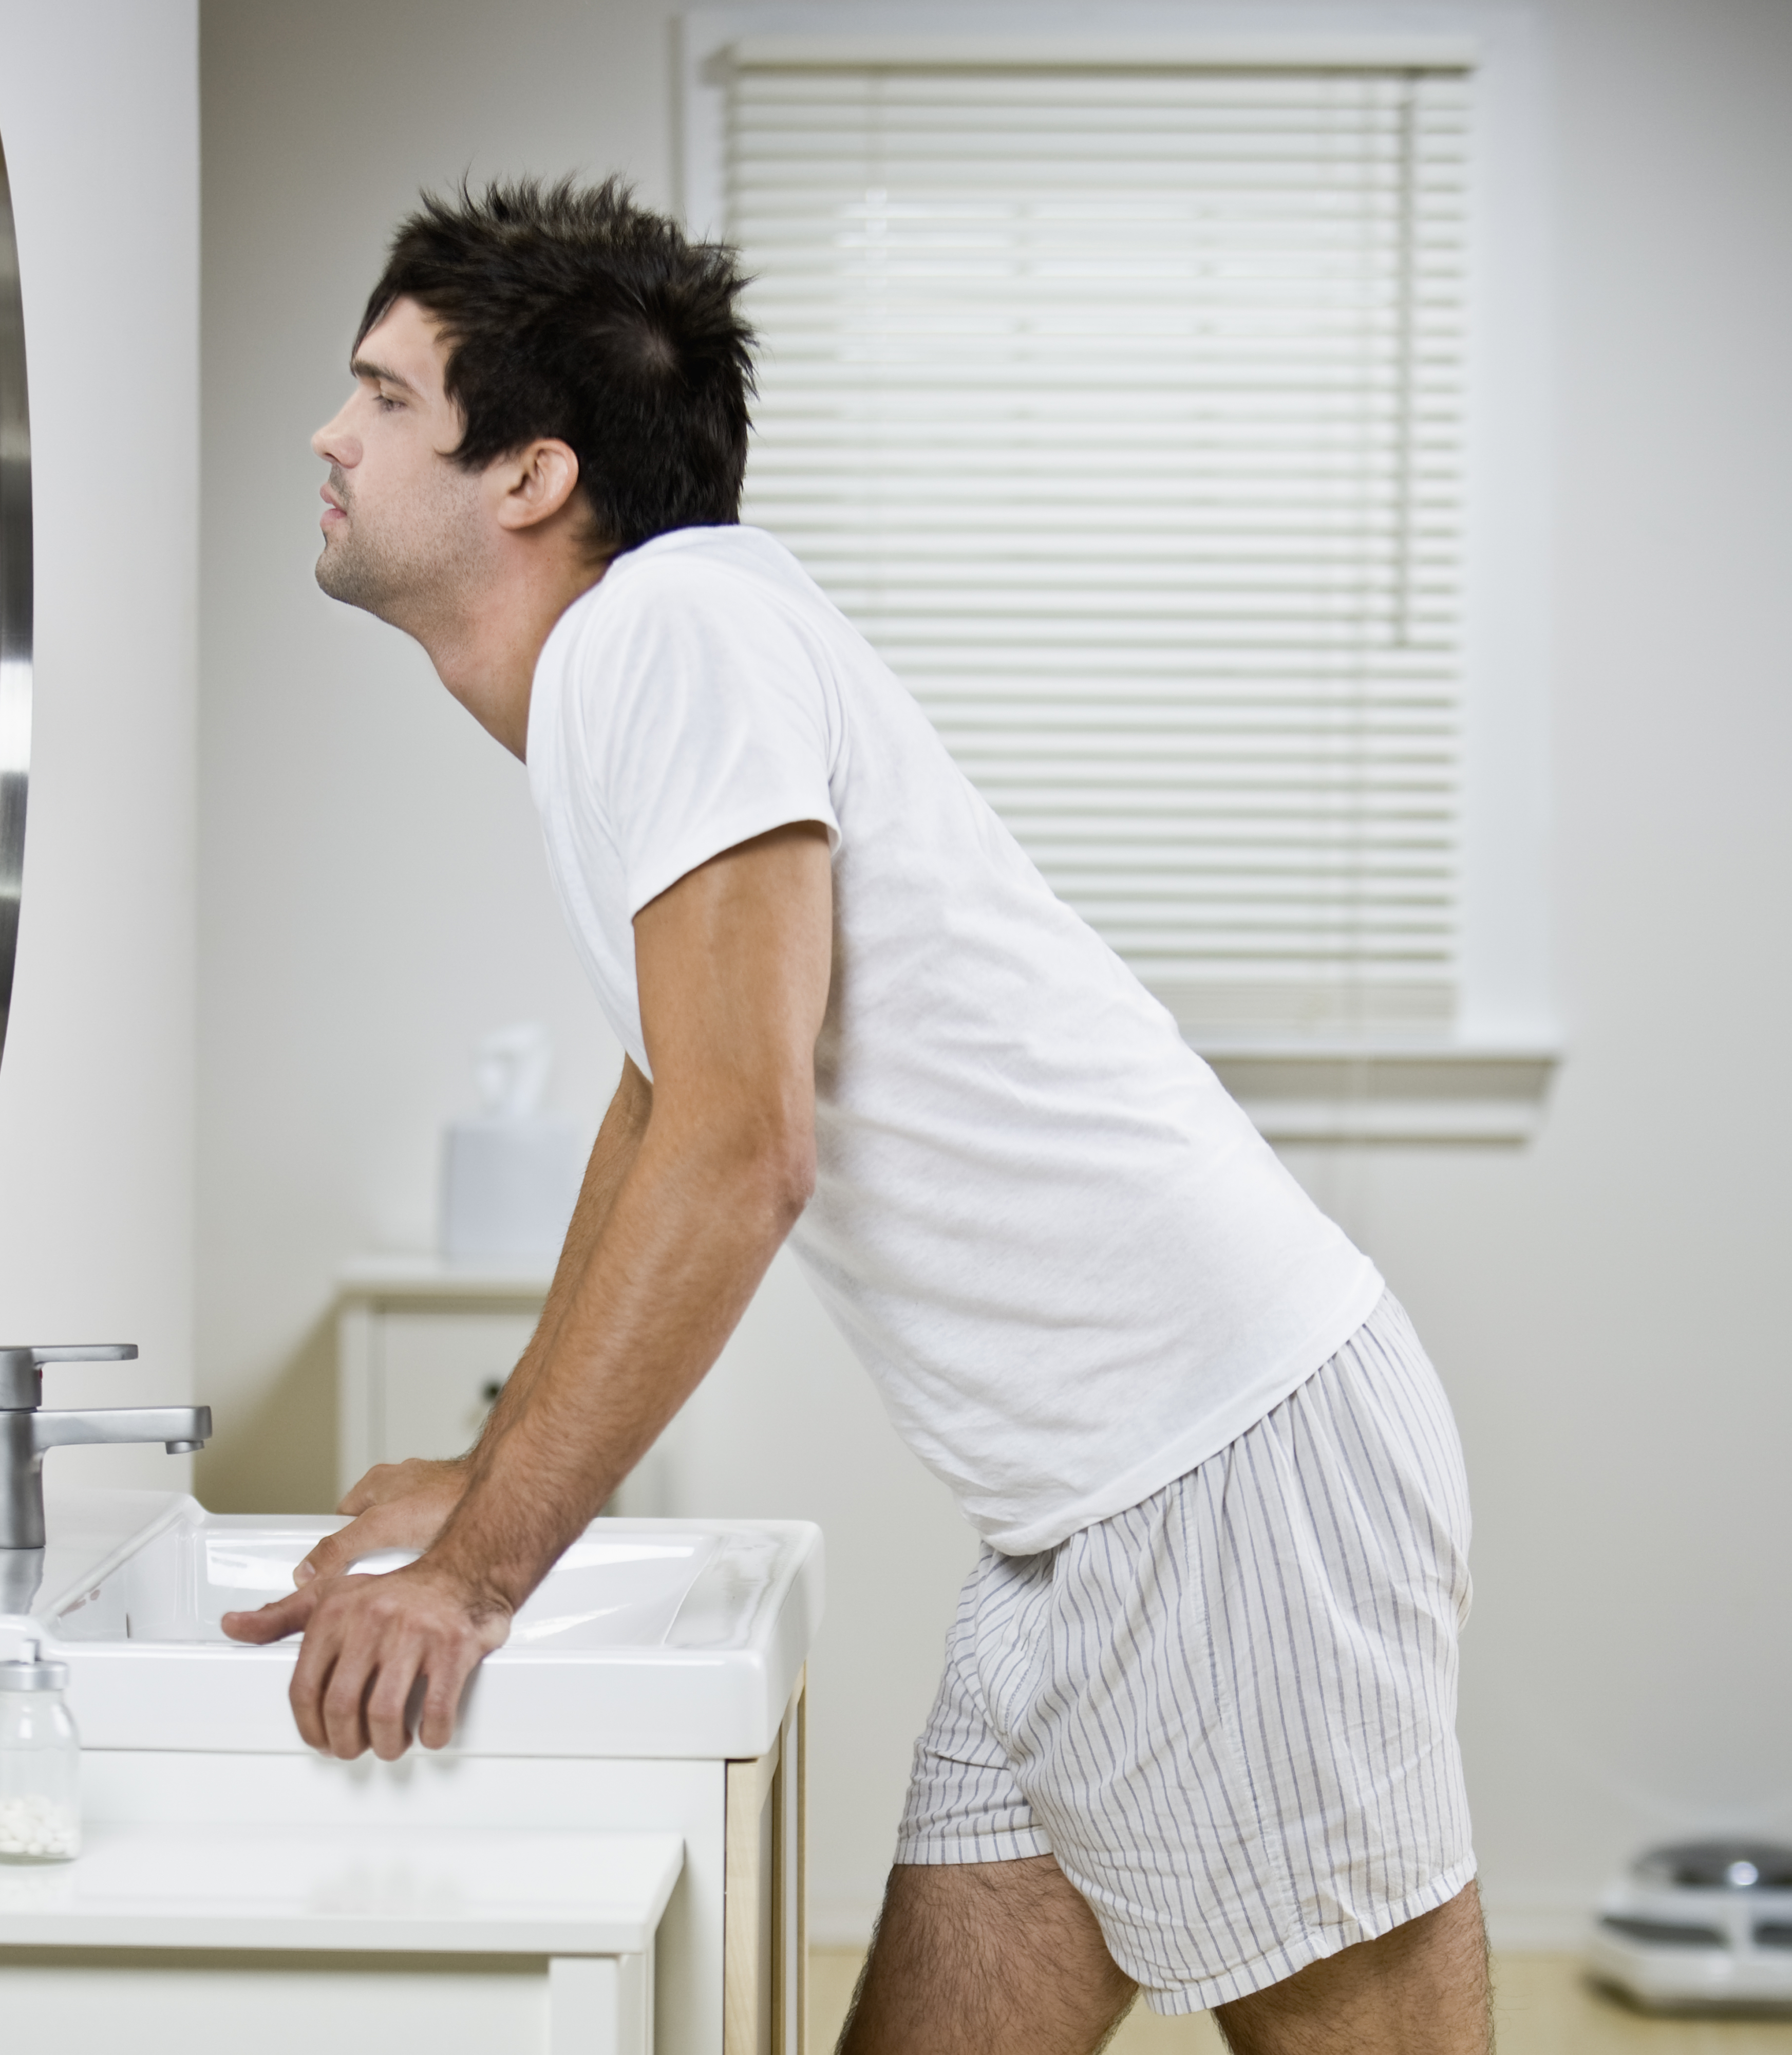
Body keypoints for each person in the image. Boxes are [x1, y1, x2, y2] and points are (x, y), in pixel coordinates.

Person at [220, 178, 1490, 2053]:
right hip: (1078, 1519)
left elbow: (745, 1152)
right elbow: (663, 1110)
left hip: (1220, 1473)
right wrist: (488, 1488)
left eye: (387, 396)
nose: (332, 435)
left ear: (531, 474)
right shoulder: (643, 668)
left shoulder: (667, 638)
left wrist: (482, 1579)